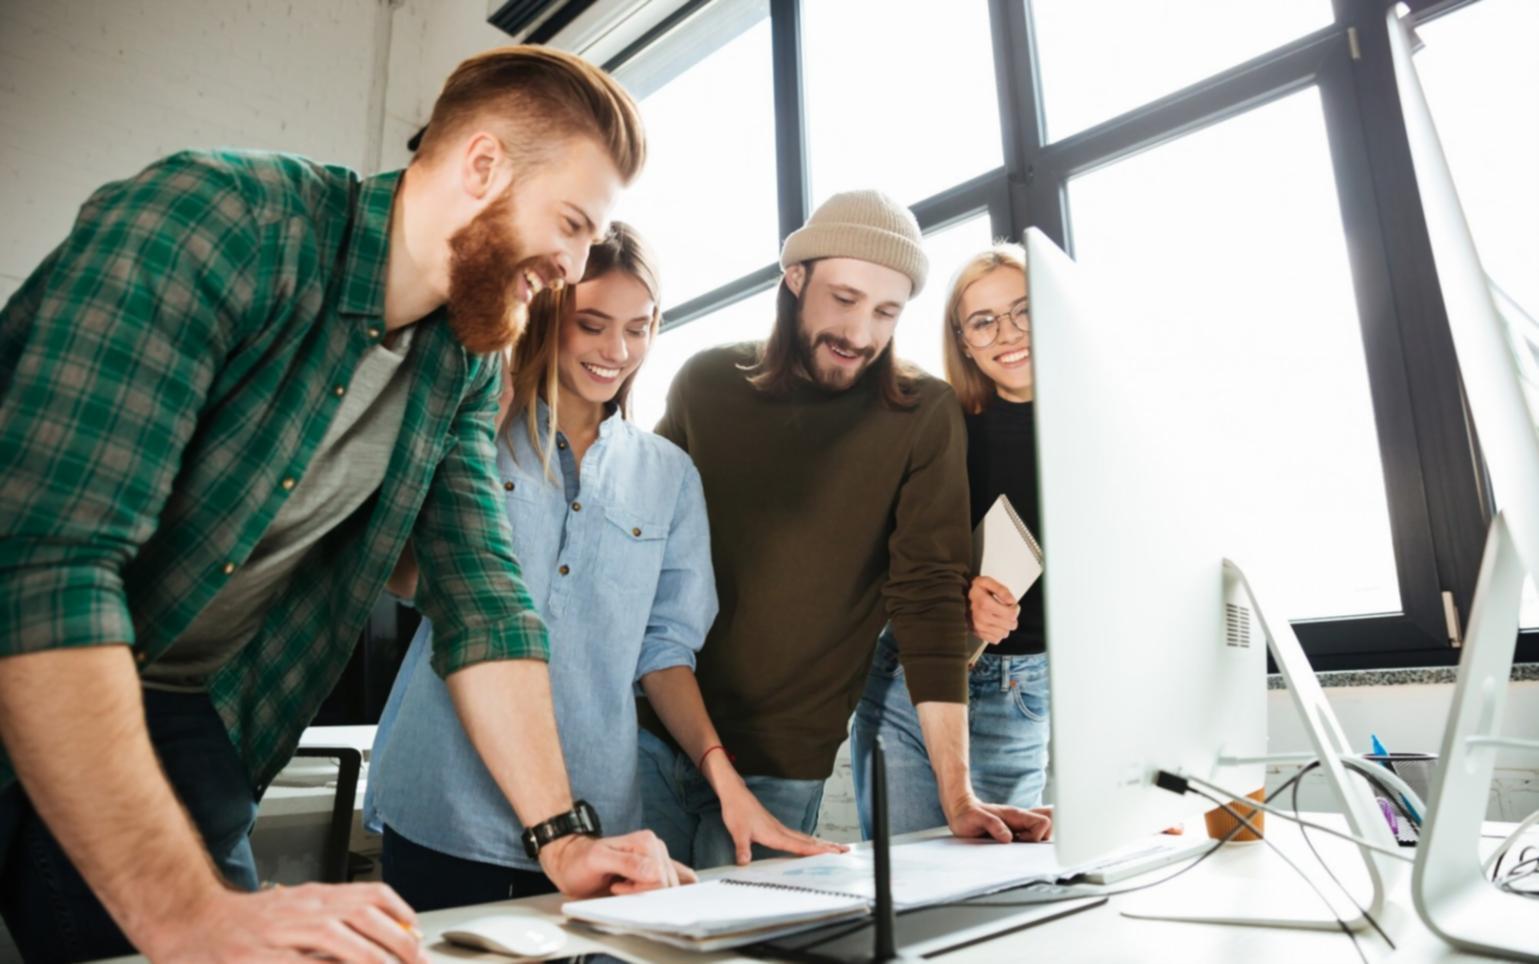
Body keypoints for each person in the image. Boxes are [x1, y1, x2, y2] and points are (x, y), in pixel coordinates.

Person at [0, 46, 687, 963]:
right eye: (569, 224)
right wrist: (186, 915)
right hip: (43, 641)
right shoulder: (221, 222)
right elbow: (46, 568)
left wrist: (561, 839)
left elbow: (482, 601)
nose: (569, 267)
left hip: (174, 702)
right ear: (482, 166)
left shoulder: (466, 362)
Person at [366, 222, 842, 910]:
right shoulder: (479, 428)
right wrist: (481, 417)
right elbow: (401, 575)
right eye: (591, 324)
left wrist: (724, 781)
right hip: (443, 791)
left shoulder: (669, 476)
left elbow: (664, 652)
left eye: (638, 328)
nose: (615, 351)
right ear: (549, 314)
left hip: (595, 813)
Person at [638, 192, 1052, 870]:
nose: (860, 332)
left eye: (886, 311)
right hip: (648, 732)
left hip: (783, 760)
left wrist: (958, 794)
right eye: (844, 298)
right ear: (794, 278)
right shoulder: (705, 382)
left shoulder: (924, 412)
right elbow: (637, 547)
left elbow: (925, 596)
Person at [851, 244, 1053, 837]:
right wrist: (965, 592)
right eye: (983, 322)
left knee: (999, 888)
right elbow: (893, 556)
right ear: (962, 340)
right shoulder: (942, 424)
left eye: (1023, 311)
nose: (1007, 333)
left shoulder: (1094, 428)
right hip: (905, 678)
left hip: (1015, 687)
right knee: (907, 883)